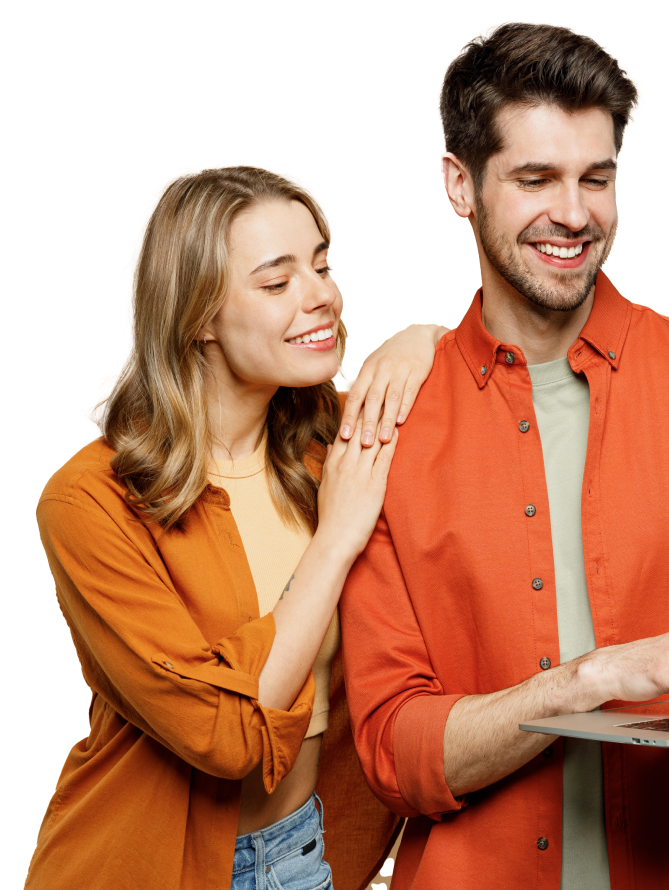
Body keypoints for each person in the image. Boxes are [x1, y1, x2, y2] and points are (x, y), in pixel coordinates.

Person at [339, 19, 669, 890]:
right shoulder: (387, 425)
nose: (576, 215)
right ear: (459, 183)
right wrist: (585, 681)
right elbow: (396, 755)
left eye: (597, 178)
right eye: (535, 179)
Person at [28, 162, 449, 889]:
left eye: (322, 267)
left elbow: (492, 367)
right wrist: (334, 541)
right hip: (144, 870)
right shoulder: (89, 502)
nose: (322, 296)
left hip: (305, 855)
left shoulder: (332, 446)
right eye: (278, 282)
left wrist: (422, 338)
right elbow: (225, 738)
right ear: (197, 315)